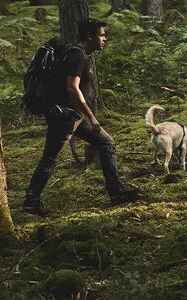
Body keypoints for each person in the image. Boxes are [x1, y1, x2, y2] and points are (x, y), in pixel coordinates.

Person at [22, 17, 139, 216]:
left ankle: (116, 192)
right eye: (102, 35)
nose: (105, 39)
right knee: (50, 158)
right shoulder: (77, 55)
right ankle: (31, 202)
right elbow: (72, 88)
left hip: (71, 116)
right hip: (65, 116)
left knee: (106, 143)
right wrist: (91, 117)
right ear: (90, 36)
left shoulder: (77, 55)